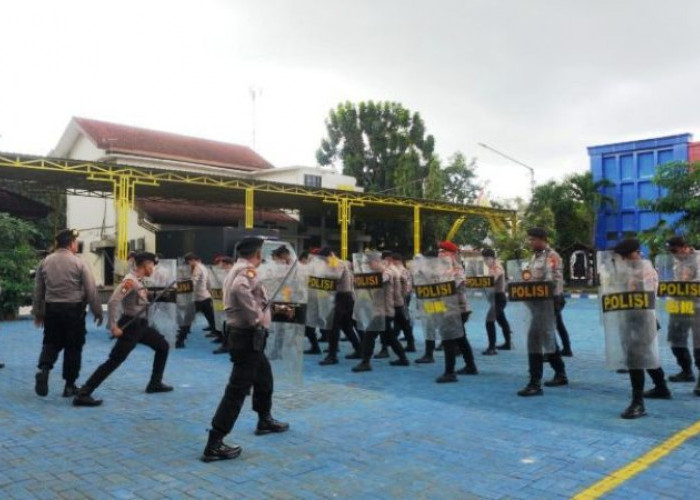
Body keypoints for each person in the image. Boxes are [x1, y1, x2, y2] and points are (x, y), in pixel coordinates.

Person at [201, 237, 289, 462]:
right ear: (258, 254)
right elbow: (243, 293)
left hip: (246, 337)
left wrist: (275, 309)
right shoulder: (246, 272)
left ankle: (264, 419)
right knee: (237, 390)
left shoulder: (236, 269)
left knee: (264, 379)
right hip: (247, 336)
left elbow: (256, 299)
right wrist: (256, 318)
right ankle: (215, 442)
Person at [73, 252, 173, 407]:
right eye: (152, 264)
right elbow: (113, 301)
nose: (153, 268)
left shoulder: (139, 281)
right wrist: (113, 325)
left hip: (141, 326)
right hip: (131, 326)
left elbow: (141, 299)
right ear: (146, 264)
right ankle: (83, 393)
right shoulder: (130, 281)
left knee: (163, 346)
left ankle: (155, 383)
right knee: (114, 361)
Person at [602, 238, 672, 418]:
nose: (623, 259)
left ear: (635, 252)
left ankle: (638, 403)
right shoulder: (627, 268)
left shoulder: (645, 271)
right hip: (629, 318)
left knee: (636, 360)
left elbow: (638, 293)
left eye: (625, 255)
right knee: (646, 356)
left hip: (643, 320)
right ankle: (662, 388)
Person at [33, 229, 103, 398]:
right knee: (73, 347)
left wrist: (38, 313)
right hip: (73, 310)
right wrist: (97, 311)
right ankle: (69, 386)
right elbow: (90, 289)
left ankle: (44, 369)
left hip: (52, 310)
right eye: (75, 242)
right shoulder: (80, 262)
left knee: (51, 342)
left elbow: (38, 290)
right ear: (71, 243)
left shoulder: (45, 262)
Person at [517, 228, 568, 396]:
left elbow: (553, 280)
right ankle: (560, 373)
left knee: (534, 339)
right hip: (537, 303)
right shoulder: (535, 257)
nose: (530, 243)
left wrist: (554, 300)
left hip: (548, 302)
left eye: (532, 240)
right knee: (547, 338)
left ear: (541, 239)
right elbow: (532, 279)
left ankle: (535, 383)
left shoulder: (551, 256)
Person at [352, 252, 410, 372]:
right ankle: (403, 358)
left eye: (370, 263)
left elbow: (383, 279)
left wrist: (365, 280)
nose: (369, 265)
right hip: (382, 311)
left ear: (377, 262)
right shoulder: (377, 273)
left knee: (369, 336)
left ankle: (365, 362)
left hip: (383, 312)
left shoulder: (387, 272)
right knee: (390, 337)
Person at [663, 236, 700, 386]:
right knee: (676, 339)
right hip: (679, 305)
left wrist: (684, 283)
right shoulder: (677, 261)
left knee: (699, 343)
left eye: (674, 250)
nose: (673, 254)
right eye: (670, 251)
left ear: (684, 247)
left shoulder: (698, 258)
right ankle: (686, 371)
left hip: (697, 306)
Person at [437, 241, 478, 375]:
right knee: (460, 339)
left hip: (457, 309)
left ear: (452, 254)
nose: (440, 254)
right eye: (439, 251)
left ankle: (449, 373)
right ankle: (470, 366)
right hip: (449, 308)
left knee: (449, 339)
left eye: (443, 251)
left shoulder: (456, 270)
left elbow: (449, 288)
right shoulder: (444, 269)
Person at [318, 247, 362, 365]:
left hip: (342, 297)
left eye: (325, 259)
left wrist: (320, 274)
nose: (325, 261)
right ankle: (359, 349)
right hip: (343, 297)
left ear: (331, 255)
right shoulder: (337, 263)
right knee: (346, 326)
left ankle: (332, 356)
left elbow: (334, 277)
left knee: (334, 326)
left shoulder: (338, 263)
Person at [176, 253, 222, 346]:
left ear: (192, 260)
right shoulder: (204, 267)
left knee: (187, 320)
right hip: (205, 297)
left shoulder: (197, 268)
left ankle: (180, 341)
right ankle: (222, 338)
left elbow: (193, 282)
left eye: (188, 262)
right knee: (212, 320)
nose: (188, 264)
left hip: (198, 299)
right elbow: (209, 283)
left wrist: (179, 287)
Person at [481, 248, 512, 355]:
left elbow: (492, 279)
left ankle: (492, 348)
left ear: (492, 258)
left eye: (487, 259)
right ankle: (508, 344)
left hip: (499, 298)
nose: (485, 261)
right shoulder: (492, 267)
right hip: (496, 298)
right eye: (484, 259)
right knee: (502, 321)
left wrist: (481, 281)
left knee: (489, 321)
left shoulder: (497, 267)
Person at [390, 252, 416, 353]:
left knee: (401, 319)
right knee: (402, 320)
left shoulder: (401, 271)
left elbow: (406, 286)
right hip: (403, 297)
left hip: (401, 297)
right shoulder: (405, 270)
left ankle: (392, 338)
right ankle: (409, 342)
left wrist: (402, 296)